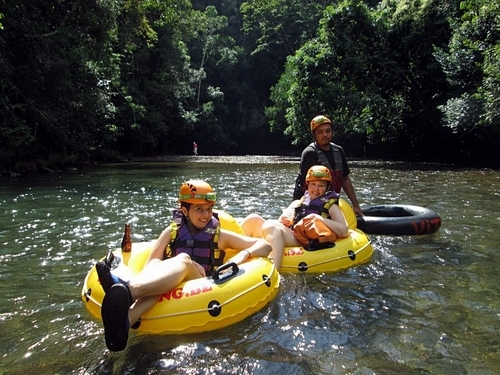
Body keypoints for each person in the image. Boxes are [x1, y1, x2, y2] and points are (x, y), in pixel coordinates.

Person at [95, 180, 272, 352]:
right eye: (199, 209)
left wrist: (244, 254)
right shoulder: (171, 232)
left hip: (202, 284)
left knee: (183, 259)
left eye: (209, 209)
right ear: (184, 210)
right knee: (158, 267)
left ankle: (128, 290)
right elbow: (150, 264)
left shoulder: (220, 236)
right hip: (171, 282)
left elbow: (265, 246)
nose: (206, 215)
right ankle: (126, 320)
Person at [241, 165, 349, 270]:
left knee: (271, 226)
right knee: (253, 219)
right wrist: (287, 221)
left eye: (321, 185)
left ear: (327, 187)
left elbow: (344, 231)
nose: (316, 189)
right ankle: (233, 256)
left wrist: (319, 218)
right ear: (307, 185)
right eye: (313, 184)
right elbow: (281, 221)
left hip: (305, 239)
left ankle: (273, 273)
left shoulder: (331, 206)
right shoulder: (300, 202)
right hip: (293, 232)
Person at [292, 115, 363, 216]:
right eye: (320, 132)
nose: (325, 135)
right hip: (309, 205)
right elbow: (304, 185)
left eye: (328, 131)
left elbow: (345, 179)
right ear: (314, 135)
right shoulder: (310, 153)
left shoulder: (339, 151)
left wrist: (356, 205)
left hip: (330, 203)